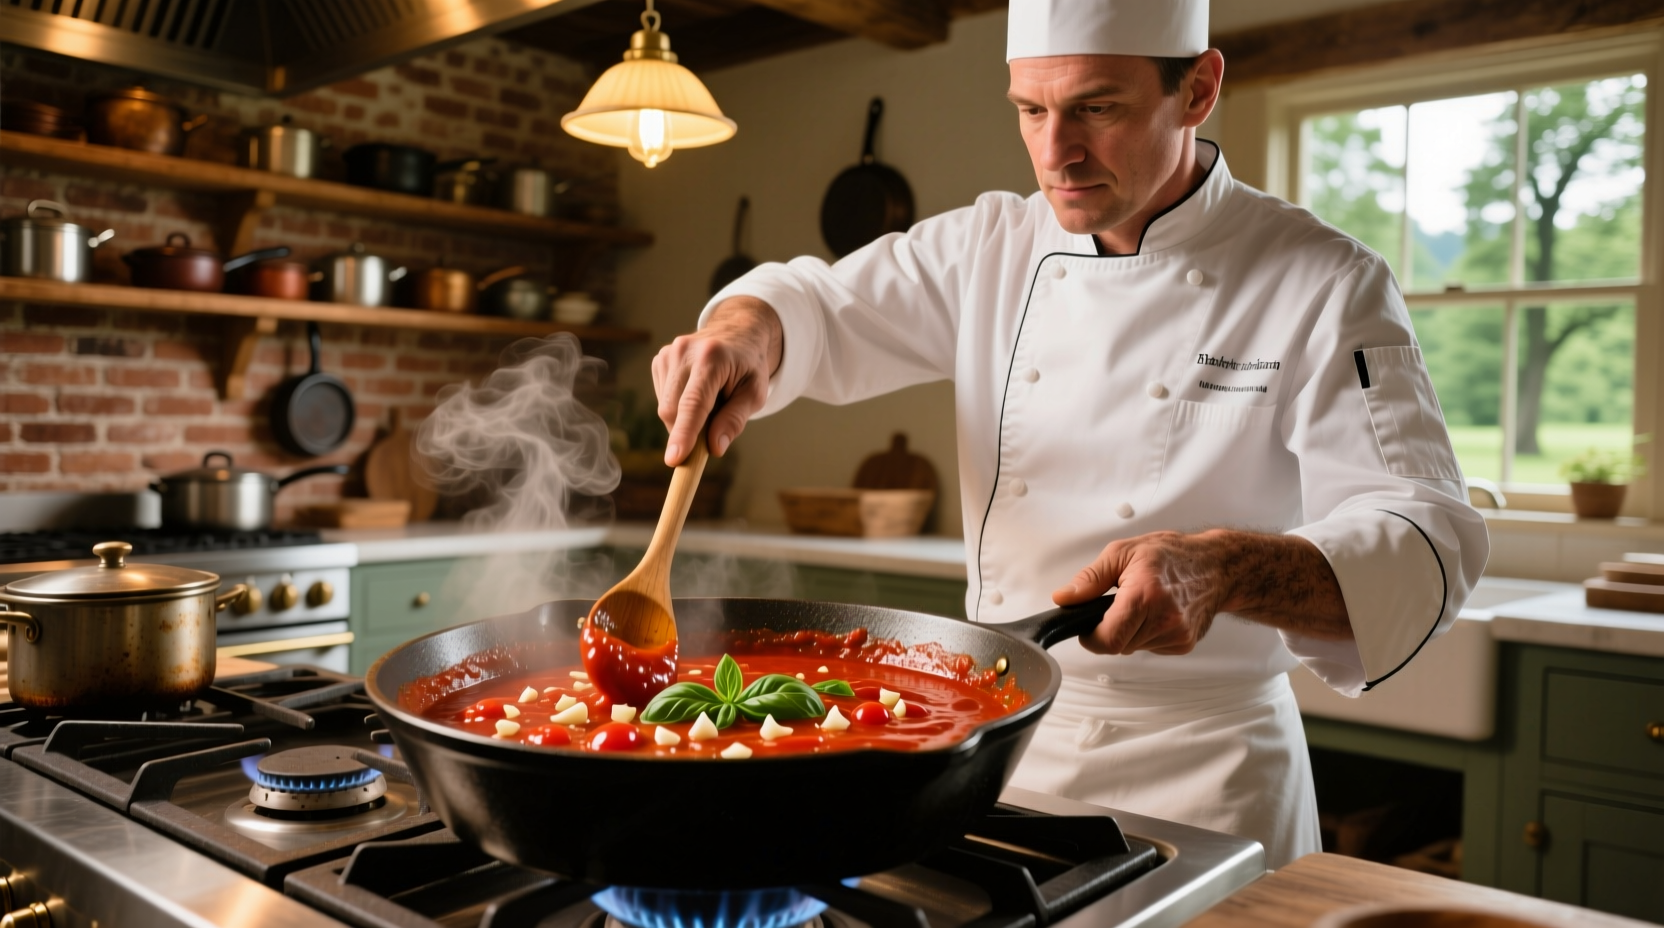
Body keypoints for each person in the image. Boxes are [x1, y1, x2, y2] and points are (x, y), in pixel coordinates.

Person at [649, 0, 1487, 867]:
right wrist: (743, 331)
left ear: (1198, 90)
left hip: (1207, 773)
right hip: (999, 751)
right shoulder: (989, 246)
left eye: (1097, 108)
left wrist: (1225, 568)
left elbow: (1425, 540)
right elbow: (815, 303)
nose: (1057, 153)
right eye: (1031, 111)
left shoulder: (1324, 280)